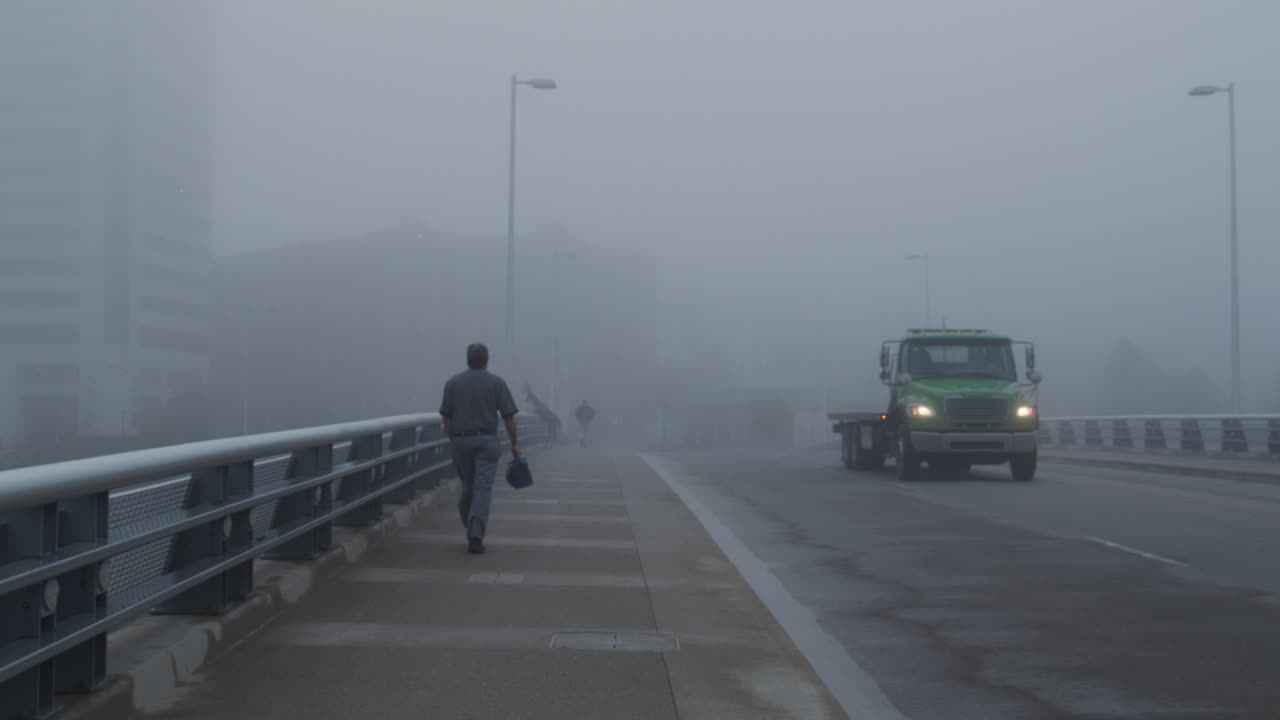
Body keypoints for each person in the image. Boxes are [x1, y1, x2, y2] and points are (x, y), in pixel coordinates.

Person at [439, 343, 519, 555]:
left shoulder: (452, 383)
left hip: (461, 441)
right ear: (486, 360)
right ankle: (475, 532)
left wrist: (453, 440)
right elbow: (509, 417)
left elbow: (446, 417)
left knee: (468, 485)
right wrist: (514, 444)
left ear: (468, 360)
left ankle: (469, 522)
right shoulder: (497, 383)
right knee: (482, 487)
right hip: (487, 441)